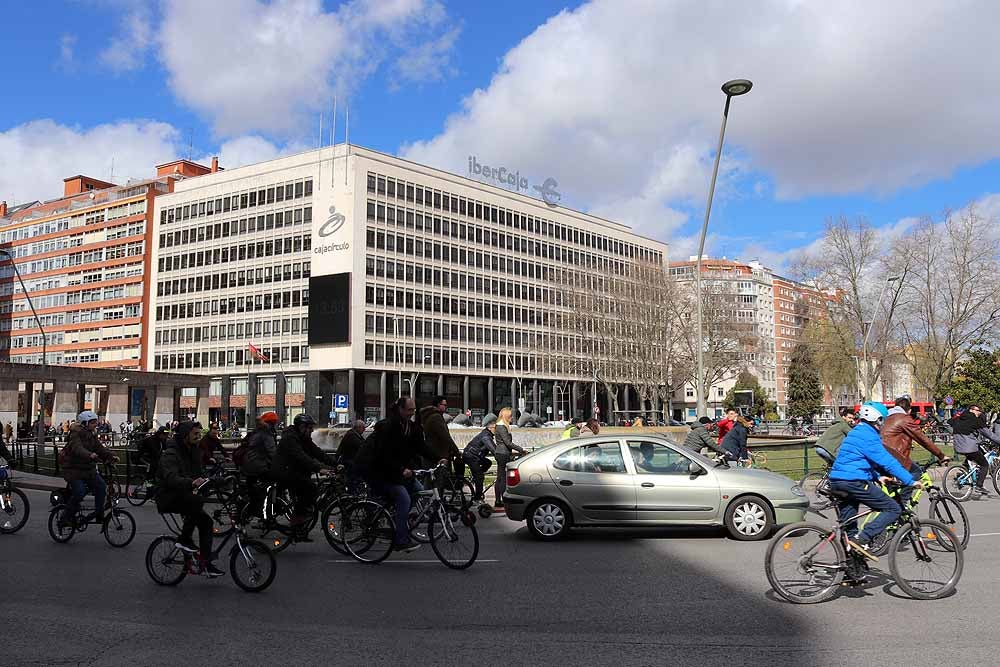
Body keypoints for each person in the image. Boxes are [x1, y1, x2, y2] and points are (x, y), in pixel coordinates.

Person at [827, 402, 920, 558]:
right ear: (876, 420)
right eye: (882, 420)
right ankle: (864, 537)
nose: (883, 423)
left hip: (838, 481)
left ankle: (851, 570)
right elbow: (887, 461)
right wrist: (910, 480)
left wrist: (877, 477)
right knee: (893, 509)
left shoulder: (856, 432)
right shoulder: (869, 436)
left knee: (849, 528)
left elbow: (857, 460)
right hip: (853, 482)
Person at [355, 397, 437, 552]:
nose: (412, 413)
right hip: (376, 470)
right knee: (403, 497)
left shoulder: (410, 427)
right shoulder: (388, 427)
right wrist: (401, 469)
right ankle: (400, 539)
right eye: (409, 410)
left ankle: (396, 518)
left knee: (417, 490)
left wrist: (439, 459)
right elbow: (383, 455)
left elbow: (421, 447)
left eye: (413, 410)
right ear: (400, 409)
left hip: (392, 470)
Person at [156, 421, 224, 577]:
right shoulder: (171, 453)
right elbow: (171, 478)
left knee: (207, 522)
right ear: (185, 434)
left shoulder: (194, 451)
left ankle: (205, 562)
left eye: (200, 434)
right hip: (167, 496)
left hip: (184, 495)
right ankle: (184, 539)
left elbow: (199, 473)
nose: (199, 437)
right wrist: (191, 482)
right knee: (196, 502)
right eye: (195, 434)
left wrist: (215, 481)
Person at [272, 414, 335, 538]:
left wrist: (334, 463)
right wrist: (319, 468)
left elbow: (317, 452)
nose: (312, 430)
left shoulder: (303, 437)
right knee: (310, 488)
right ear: (302, 427)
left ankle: (300, 527)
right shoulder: (290, 438)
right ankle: (296, 519)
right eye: (310, 427)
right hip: (283, 471)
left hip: (294, 470)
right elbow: (300, 456)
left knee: (307, 490)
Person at [881, 397, 948, 504]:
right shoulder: (904, 419)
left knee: (893, 486)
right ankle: (901, 504)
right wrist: (941, 455)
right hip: (894, 456)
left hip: (882, 455)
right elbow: (923, 439)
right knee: (916, 472)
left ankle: (893, 507)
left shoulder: (886, 418)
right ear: (909, 410)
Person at [60, 411, 118, 528]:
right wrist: (89, 455)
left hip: (87, 469)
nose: (95, 424)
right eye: (92, 422)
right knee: (79, 492)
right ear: (84, 423)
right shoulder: (75, 434)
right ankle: (65, 517)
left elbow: (100, 448)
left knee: (101, 486)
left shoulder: (91, 434)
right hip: (73, 470)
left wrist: (111, 456)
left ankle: (98, 513)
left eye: (95, 422)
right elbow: (77, 448)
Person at [950, 404, 1000, 498]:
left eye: (980, 411)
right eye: (978, 410)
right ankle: (979, 486)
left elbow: (949, 423)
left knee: (973, 458)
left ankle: (963, 474)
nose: (979, 412)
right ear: (971, 410)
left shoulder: (959, 418)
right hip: (969, 447)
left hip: (958, 446)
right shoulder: (975, 420)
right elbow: (988, 434)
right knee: (984, 464)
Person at [239, 411, 280, 515]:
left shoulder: (258, 431)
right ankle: (261, 510)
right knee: (270, 483)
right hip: (257, 465)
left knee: (252, 487)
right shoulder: (266, 433)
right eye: (274, 423)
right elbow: (272, 452)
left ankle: (248, 506)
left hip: (249, 463)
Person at [418, 396, 464, 478]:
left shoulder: (430, 416)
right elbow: (445, 437)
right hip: (438, 455)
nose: (446, 407)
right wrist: (456, 451)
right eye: (444, 405)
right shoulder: (436, 417)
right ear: (438, 405)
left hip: (431, 454)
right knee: (438, 482)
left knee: (430, 480)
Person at [493, 407, 524, 510]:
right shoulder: (502, 427)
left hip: (500, 453)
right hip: (503, 454)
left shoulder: (499, 426)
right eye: (510, 416)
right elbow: (507, 443)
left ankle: (498, 500)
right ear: (506, 416)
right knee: (502, 478)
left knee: (500, 478)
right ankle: (502, 500)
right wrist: (520, 449)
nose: (511, 418)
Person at [463, 419, 497, 500]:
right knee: (479, 476)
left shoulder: (488, 435)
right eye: (496, 428)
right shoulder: (486, 436)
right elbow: (493, 449)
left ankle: (477, 475)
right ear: (489, 428)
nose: (497, 430)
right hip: (471, 456)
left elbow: (494, 447)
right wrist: (499, 456)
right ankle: (478, 497)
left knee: (488, 463)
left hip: (475, 456)